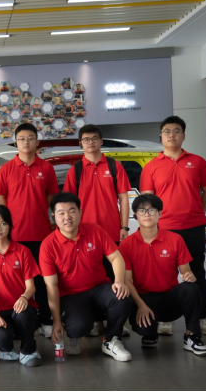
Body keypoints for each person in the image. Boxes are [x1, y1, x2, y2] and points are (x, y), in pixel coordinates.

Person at [140, 116, 206, 336]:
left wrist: (198, 211)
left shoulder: (198, 162)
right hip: (163, 229)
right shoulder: (151, 166)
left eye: (176, 131)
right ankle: (166, 319)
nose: (171, 135)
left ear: (183, 135)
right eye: (167, 131)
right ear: (161, 136)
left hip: (193, 227)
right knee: (164, 275)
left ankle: (201, 317)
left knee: (196, 272)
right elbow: (148, 200)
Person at [41, 193, 133, 362]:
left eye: (72, 211)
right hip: (72, 295)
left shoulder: (95, 230)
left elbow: (116, 257)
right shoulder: (48, 245)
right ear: (53, 216)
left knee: (122, 296)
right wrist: (56, 321)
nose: (67, 217)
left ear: (80, 212)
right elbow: (51, 286)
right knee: (78, 326)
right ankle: (74, 334)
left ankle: (111, 339)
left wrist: (119, 281)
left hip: (99, 288)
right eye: (61, 213)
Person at [120, 195, 206, 357]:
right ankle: (150, 333)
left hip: (169, 298)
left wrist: (188, 276)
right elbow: (127, 280)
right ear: (135, 215)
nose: (147, 214)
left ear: (160, 213)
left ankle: (192, 336)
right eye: (142, 210)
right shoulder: (127, 244)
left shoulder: (175, 239)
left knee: (191, 288)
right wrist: (140, 305)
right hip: (144, 299)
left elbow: (186, 271)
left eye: (151, 210)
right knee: (145, 329)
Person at [63, 125, 132, 337]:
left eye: (94, 138)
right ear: (81, 143)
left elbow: (123, 198)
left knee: (113, 278)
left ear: (101, 141)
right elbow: (68, 204)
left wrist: (124, 226)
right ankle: (95, 321)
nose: (90, 142)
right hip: (83, 236)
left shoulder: (114, 166)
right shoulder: (75, 170)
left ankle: (115, 321)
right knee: (91, 280)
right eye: (86, 139)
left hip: (111, 232)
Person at [0, 123, 59, 339]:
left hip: (41, 234)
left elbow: (51, 196)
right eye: (21, 139)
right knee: (19, 281)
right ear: (16, 143)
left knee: (42, 281)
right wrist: (8, 224)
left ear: (37, 142)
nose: (26, 142)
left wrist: (39, 210)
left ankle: (46, 320)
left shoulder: (46, 168)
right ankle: (21, 321)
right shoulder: (6, 169)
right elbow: (1, 197)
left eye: (30, 138)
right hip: (16, 236)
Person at [0, 206, 42, 367]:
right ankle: (5, 348)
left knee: (23, 315)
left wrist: (24, 297)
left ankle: (29, 350)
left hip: (22, 308)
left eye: (3, 223)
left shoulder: (23, 251)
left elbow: (31, 286)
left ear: (10, 226)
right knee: (1, 335)